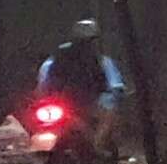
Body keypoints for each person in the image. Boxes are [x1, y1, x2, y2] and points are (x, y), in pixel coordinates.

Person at [36, 19, 126, 147]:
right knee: (109, 112)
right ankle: (97, 145)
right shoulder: (101, 61)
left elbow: (42, 85)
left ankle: (95, 143)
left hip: (60, 105)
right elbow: (115, 87)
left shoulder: (53, 60)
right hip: (81, 105)